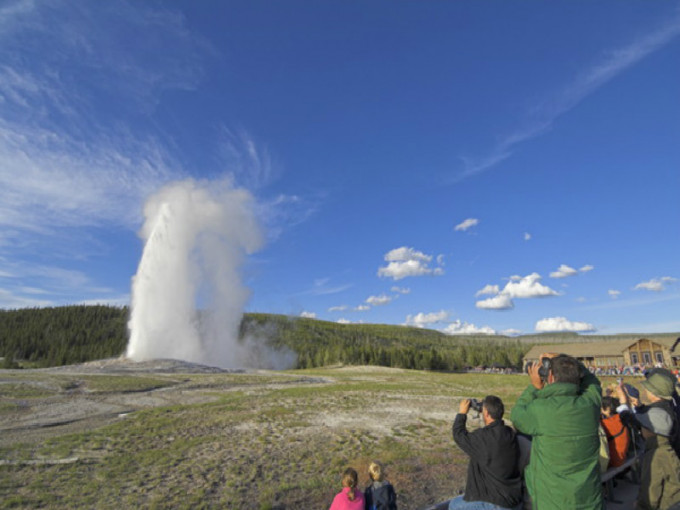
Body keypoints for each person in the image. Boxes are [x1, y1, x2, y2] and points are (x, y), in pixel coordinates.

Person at [510, 353, 603, 510]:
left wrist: (534, 387)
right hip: (589, 497)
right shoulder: (591, 403)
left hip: (552, 499)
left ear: (550, 376)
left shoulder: (541, 409)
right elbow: (593, 381)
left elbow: (517, 415)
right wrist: (568, 361)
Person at [616, 376, 680, 510]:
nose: (641, 430)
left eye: (644, 427)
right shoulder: (668, 409)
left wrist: (623, 404)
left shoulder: (656, 456)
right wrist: (637, 406)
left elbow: (651, 492)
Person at [448, 395, 522, 510]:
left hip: (496, 503)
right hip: (513, 499)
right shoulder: (509, 433)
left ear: (486, 413)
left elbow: (459, 435)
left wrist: (462, 413)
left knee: (454, 505)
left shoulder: (483, 438)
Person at [600, 396, 630, 468]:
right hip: (622, 457)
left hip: (614, 461)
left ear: (607, 409)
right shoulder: (618, 418)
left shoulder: (607, 423)